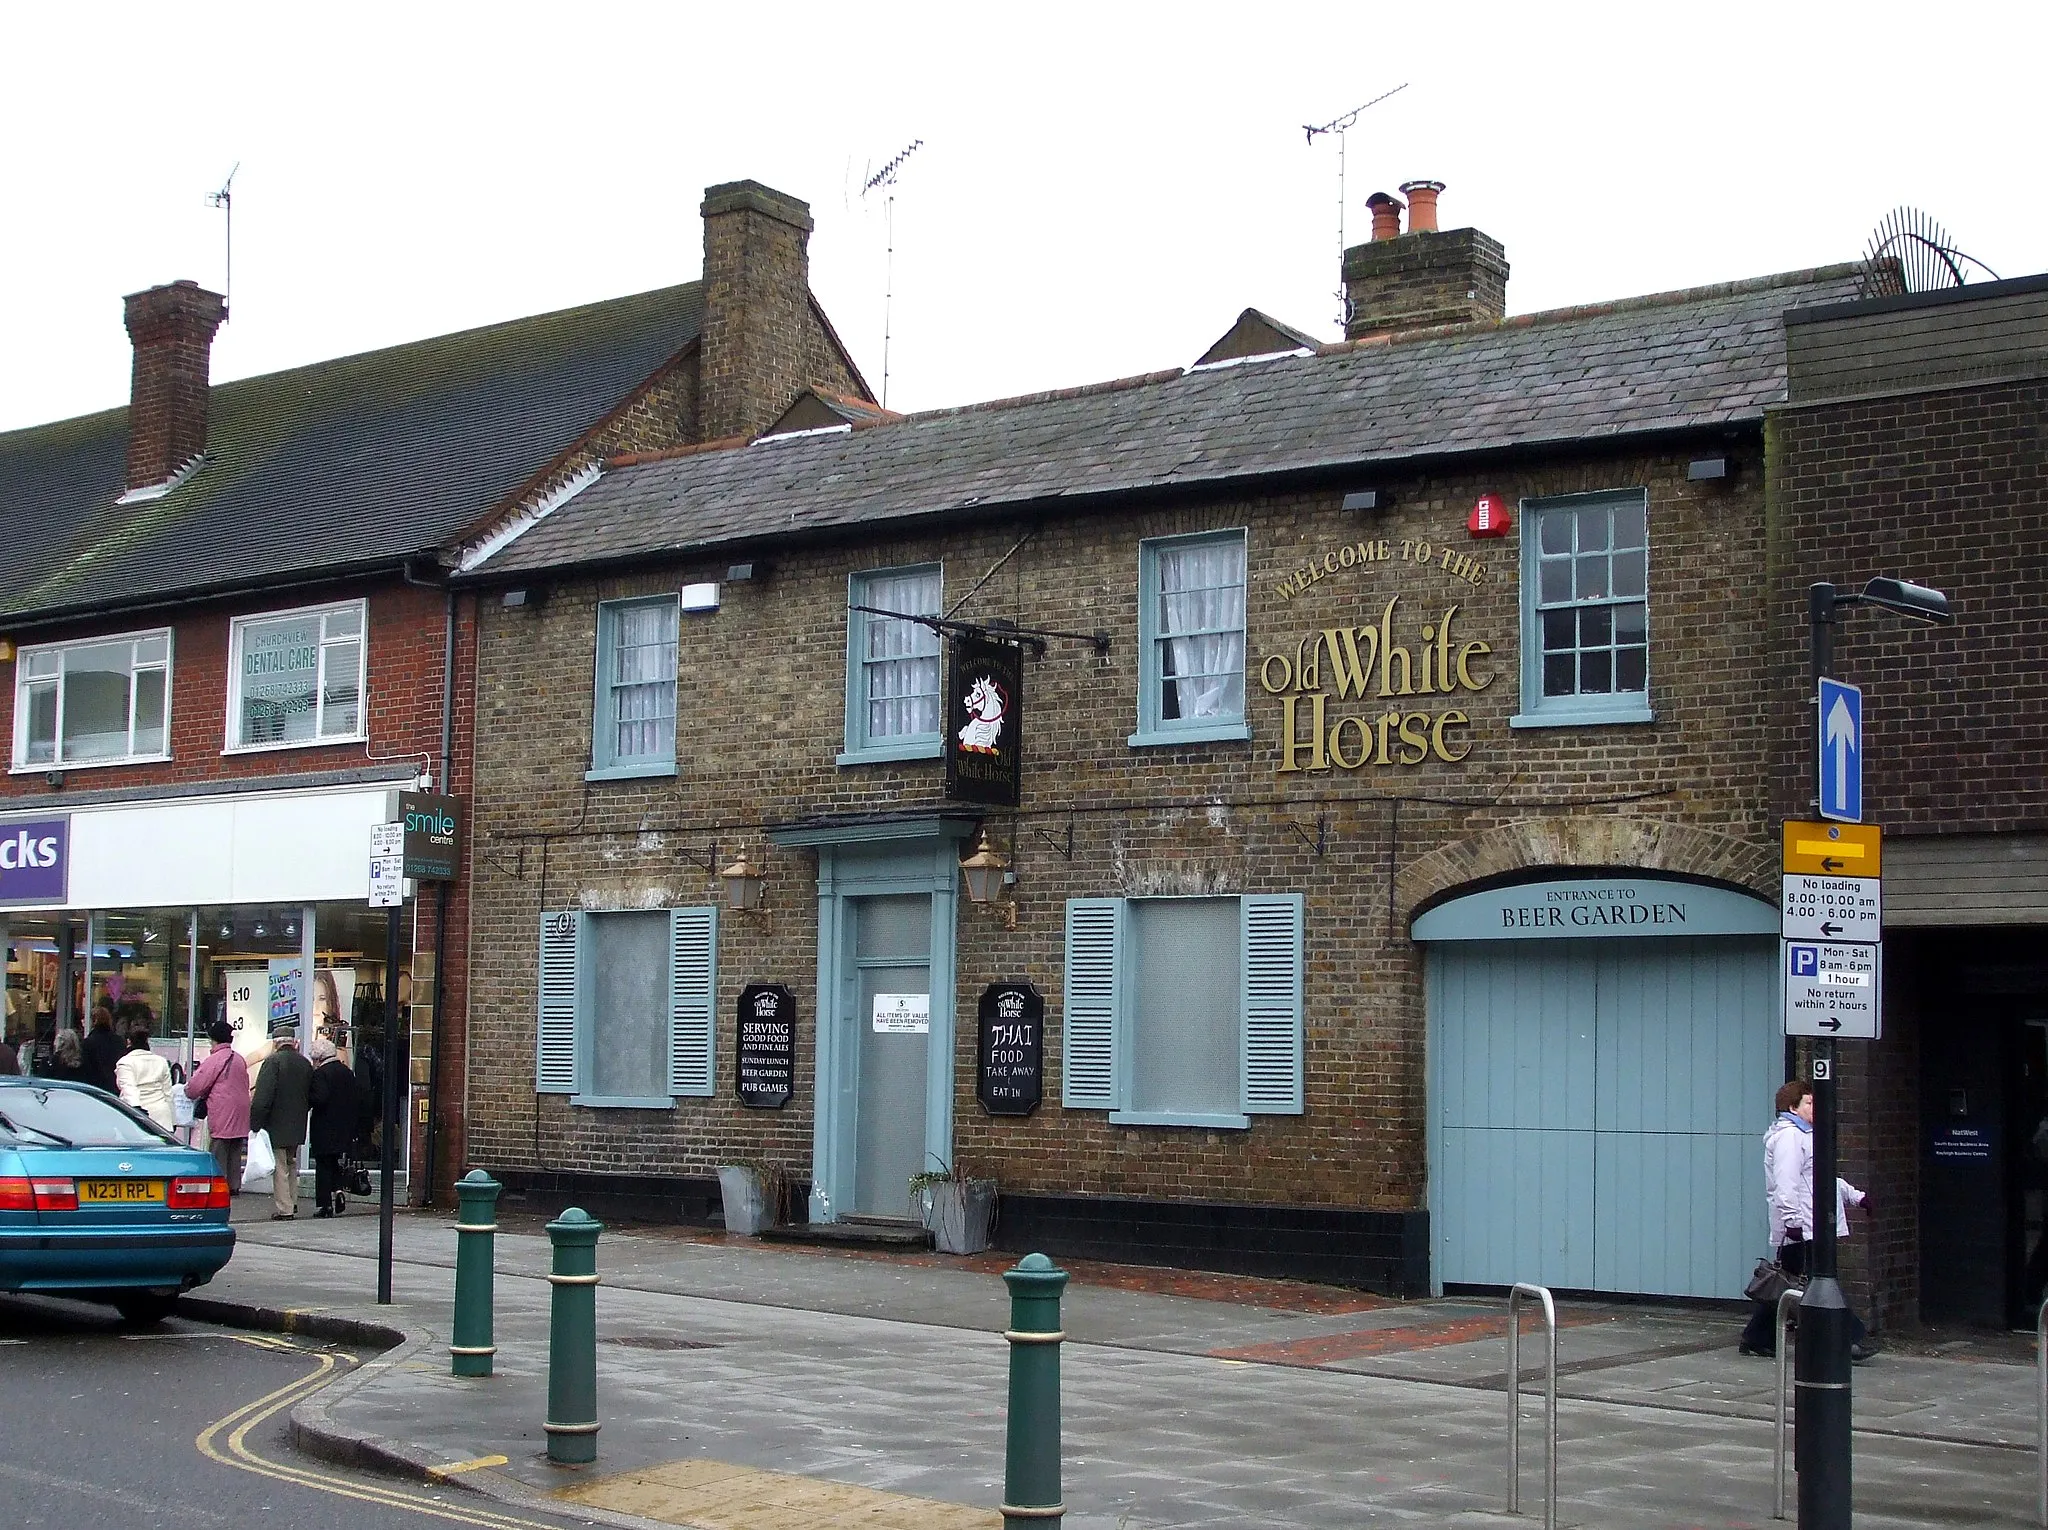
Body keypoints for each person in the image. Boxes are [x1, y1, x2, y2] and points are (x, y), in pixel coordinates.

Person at [1740, 1079, 1874, 1361]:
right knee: (1817, 1282)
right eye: (1809, 1103)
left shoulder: (1806, 1135)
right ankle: (1848, 1337)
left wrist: (1855, 1196)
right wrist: (1791, 1222)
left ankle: (1756, 1337)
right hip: (1802, 1226)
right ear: (1793, 1107)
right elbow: (1785, 1183)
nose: (1815, 1107)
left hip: (1809, 1225)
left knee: (1788, 1284)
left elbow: (1823, 1178)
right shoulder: (1790, 1138)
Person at [249, 1021, 313, 1220]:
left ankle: (284, 1208)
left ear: (275, 1043)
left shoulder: (273, 1062)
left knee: (280, 1166)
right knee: (291, 1163)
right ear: (294, 1042)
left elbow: (263, 1097)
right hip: (298, 1122)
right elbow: (310, 1094)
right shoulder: (304, 1063)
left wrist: (255, 1123)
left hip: (276, 1123)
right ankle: (292, 1202)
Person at [186, 1020, 252, 1191]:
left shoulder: (215, 1059)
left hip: (223, 1109)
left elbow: (196, 1086)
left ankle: (219, 1186)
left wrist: (187, 1091)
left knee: (219, 1148)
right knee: (235, 1149)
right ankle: (233, 1185)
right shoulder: (238, 1059)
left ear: (213, 1039)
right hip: (241, 1109)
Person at [306, 1037, 358, 1218]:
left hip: (325, 1126)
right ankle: (338, 1191)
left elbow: (319, 1098)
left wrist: (308, 1099)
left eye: (314, 1059)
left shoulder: (321, 1074)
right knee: (335, 1162)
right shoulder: (347, 1072)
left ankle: (325, 1205)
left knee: (323, 1165)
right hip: (344, 1125)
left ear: (319, 1058)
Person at [114, 1023, 175, 1130]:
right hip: (162, 1116)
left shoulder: (125, 1062)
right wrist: (173, 1120)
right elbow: (168, 1094)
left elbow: (129, 1088)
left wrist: (137, 1110)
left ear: (129, 1042)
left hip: (136, 1116)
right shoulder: (161, 1061)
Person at [82, 1007, 124, 1093]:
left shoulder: (88, 1042)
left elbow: (86, 1068)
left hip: (95, 1088)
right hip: (115, 1085)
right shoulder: (118, 1041)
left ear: (93, 1021)